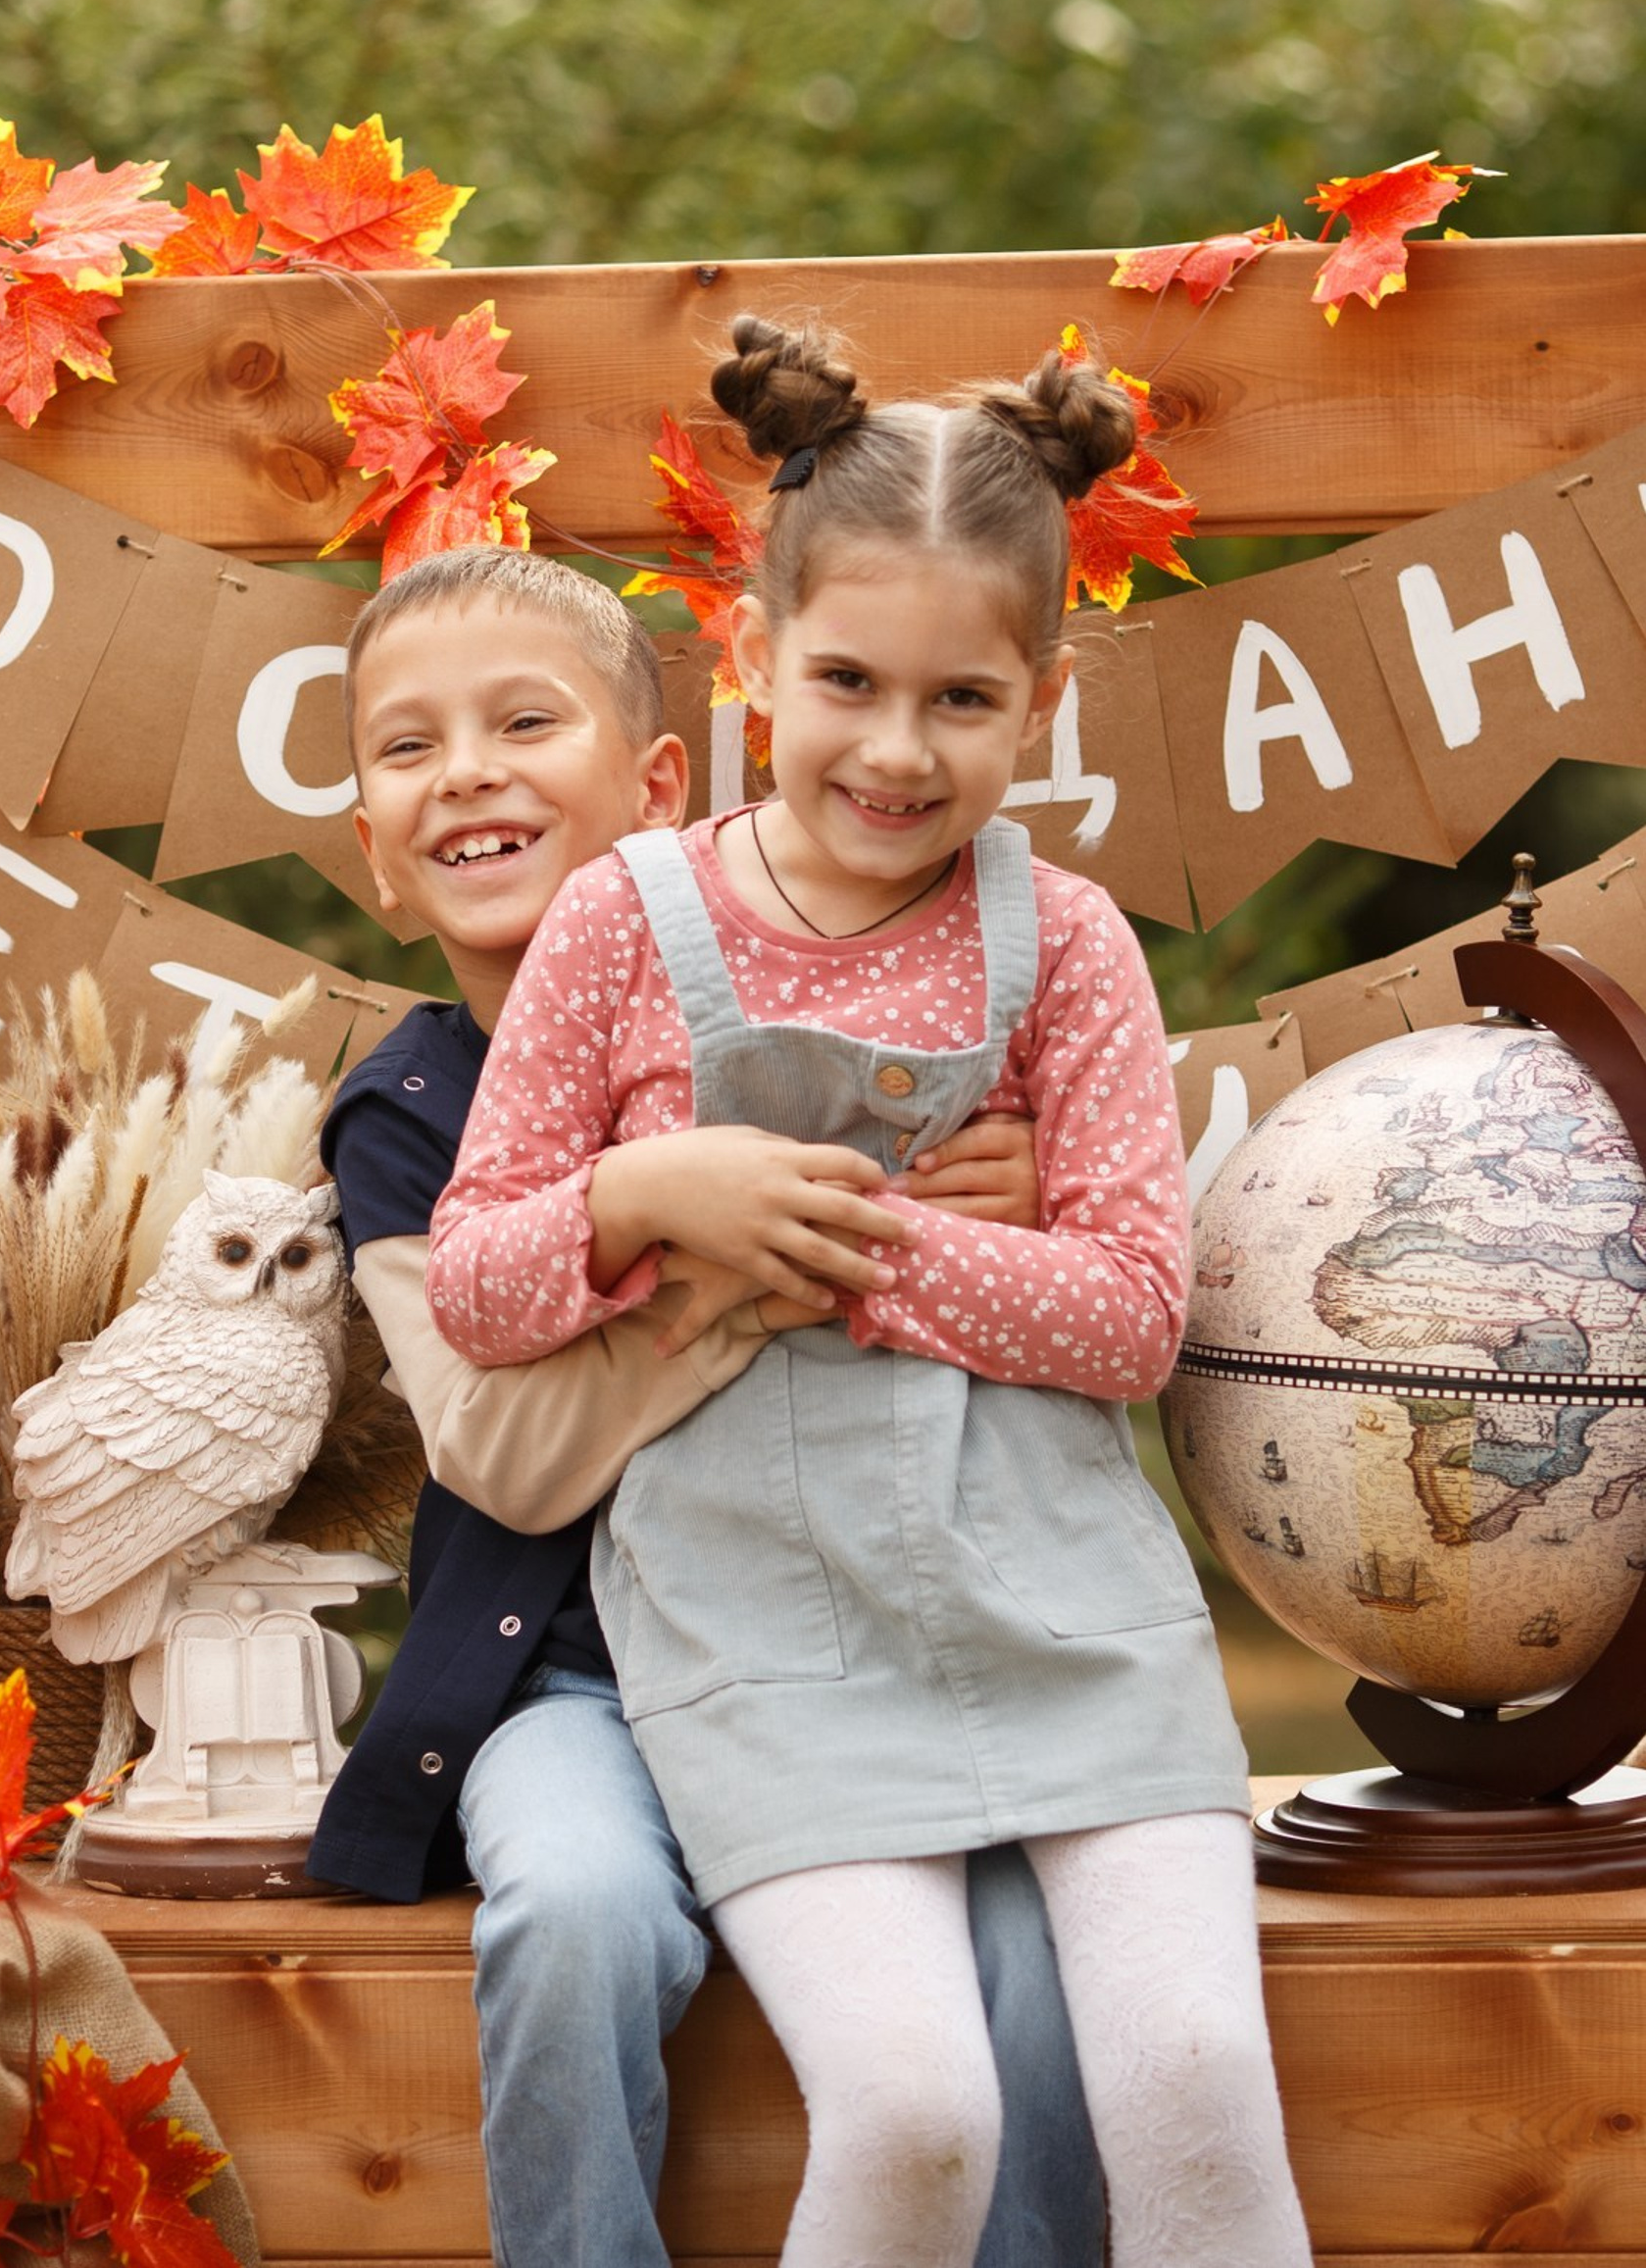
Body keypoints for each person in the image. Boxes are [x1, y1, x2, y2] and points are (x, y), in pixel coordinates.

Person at [424, 317, 1311, 2268]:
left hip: (1066, 1598)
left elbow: (1128, 1311)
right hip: (765, 1627)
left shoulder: (1062, 940)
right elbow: (482, 1281)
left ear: (1040, 699)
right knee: (910, 2109)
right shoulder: (620, 920)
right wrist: (655, 1185)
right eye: (843, 680)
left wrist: (840, 1238)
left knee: (1187, 2080)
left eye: (960, 698)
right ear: (747, 658)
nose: (895, 750)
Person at [308, 546, 1108, 2268]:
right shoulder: (402, 1113)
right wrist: (697, 1232)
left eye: (527, 720)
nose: (467, 770)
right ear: (373, 855)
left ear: (665, 790)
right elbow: (509, 1459)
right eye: (406, 749)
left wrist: (1019, 1194)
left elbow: (1077, 1266)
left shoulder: (871, 995)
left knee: (1049, 1958)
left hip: (875, 1648)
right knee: (573, 1912)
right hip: (576, 1670)